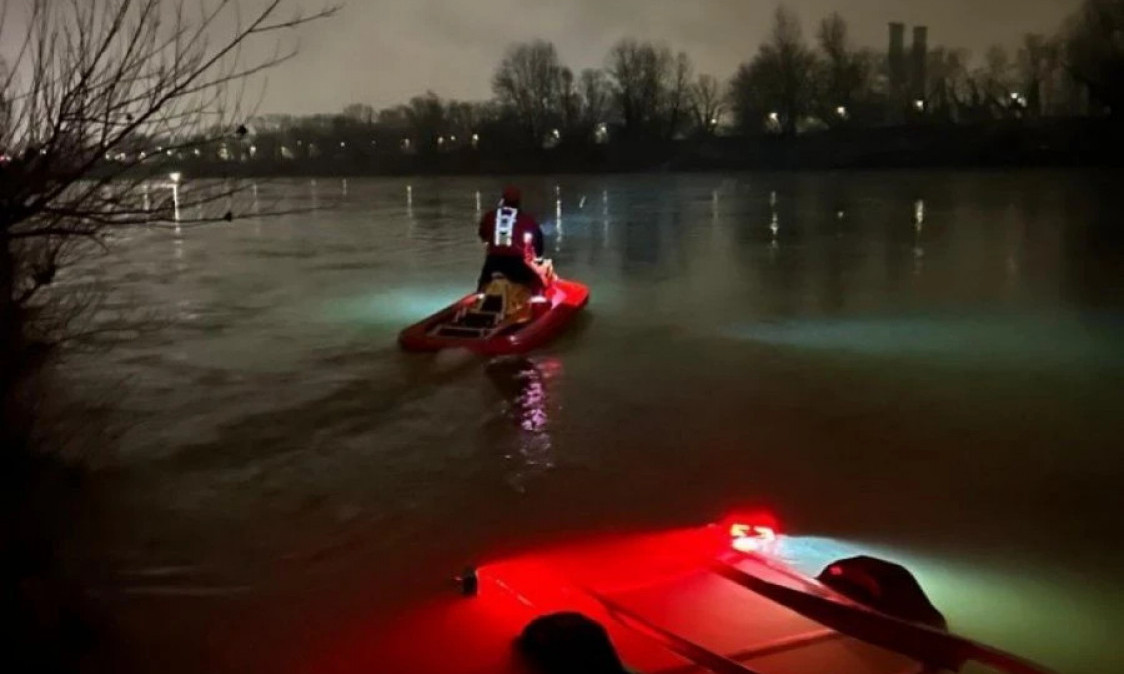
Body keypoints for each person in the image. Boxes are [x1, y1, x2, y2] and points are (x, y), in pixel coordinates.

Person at [477, 186, 547, 293]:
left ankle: (479, 296)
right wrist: (538, 260)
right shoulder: (526, 219)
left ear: (503, 200)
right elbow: (538, 242)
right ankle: (537, 302)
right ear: (518, 202)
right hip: (516, 263)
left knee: (482, 285)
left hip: (493, 262)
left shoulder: (490, 216)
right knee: (537, 284)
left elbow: (483, 235)